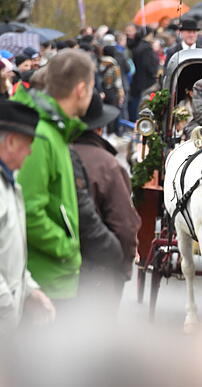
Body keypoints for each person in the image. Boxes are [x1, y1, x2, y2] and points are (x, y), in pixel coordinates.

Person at [11, 49, 93, 303]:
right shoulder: (43, 135)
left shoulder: (55, 131)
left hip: (53, 279)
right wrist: (67, 249)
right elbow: (29, 210)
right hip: (45, 283)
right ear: (81, 89)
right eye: (92, 87)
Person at [71, 94, 140, 309]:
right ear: (99, 128)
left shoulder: (55, 153)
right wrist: (123, 267)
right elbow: (124, 225)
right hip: (98, 266)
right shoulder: (108, 165)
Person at [0, 101, 56, 331]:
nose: (31, 151)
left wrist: (30, 290)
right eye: (28, 144)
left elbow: (9, 252)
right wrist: (7, 306)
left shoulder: (10, 185)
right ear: (11, 141)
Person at [127, 27, 159, 121]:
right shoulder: (146, 49)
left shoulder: (137, 46)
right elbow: (149, 66)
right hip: (145, 82)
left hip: (137, 81)